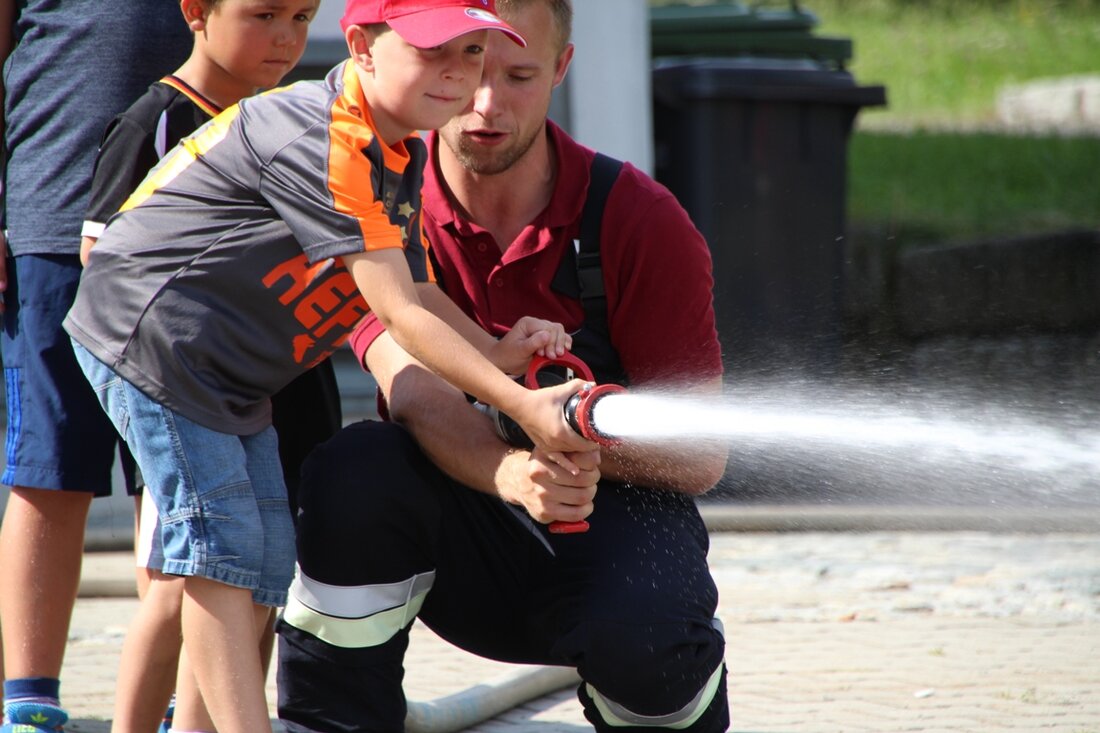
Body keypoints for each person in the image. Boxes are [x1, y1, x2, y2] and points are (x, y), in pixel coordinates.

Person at [63, 0, 593, 730]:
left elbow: (418, 289)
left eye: (472, 51)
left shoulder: (397, 147)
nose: (457, 72)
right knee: (220, 552)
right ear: (362, 47)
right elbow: (398, 314)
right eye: (432, 50)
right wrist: (520, 402)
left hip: (227, 376)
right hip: (155, 347)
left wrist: (498, 353)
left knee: (263, 557)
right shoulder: (326, 139)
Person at [276, 1, 731, 731]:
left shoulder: (639, 219)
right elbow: (414, 391)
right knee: (352, 472)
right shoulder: (370, 204)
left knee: (654, 653)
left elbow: (701, 454)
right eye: (466, 70)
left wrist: (581, 441)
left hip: (610, 520)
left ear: (561, 67)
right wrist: (515, 462)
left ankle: (657, 677)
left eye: (518, 76)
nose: (486, 104)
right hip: (455, 524)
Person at [77, 1, 334, 730]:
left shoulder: (291, 121)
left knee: (262, 577)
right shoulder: (155, 122)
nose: (286, 37)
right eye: (264, 14)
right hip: (184, 385)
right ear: (196, 11)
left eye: (302, 17)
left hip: (280, 385)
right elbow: (104, 257)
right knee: (180, 581)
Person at [0, 2, 191, 731]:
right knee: (49, 467)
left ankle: (172, 700)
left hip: (192, 236)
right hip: (53, 215)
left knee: (175, 472)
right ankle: (29, 699)